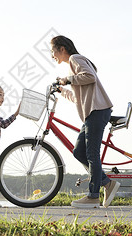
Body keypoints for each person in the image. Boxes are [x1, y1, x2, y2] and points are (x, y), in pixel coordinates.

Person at [50, 35, 120, 209]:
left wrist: (68, 80)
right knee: (79, 152)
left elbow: (90, 76)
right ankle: (107, 183)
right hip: (91, 113)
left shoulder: (75, 58)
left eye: (53, 51)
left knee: (91, 154)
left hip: (97, 111)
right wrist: (62, 89)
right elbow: (78, 97)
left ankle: (93, 196)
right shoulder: (73, 66)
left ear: (62, 49)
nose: (52, 55)